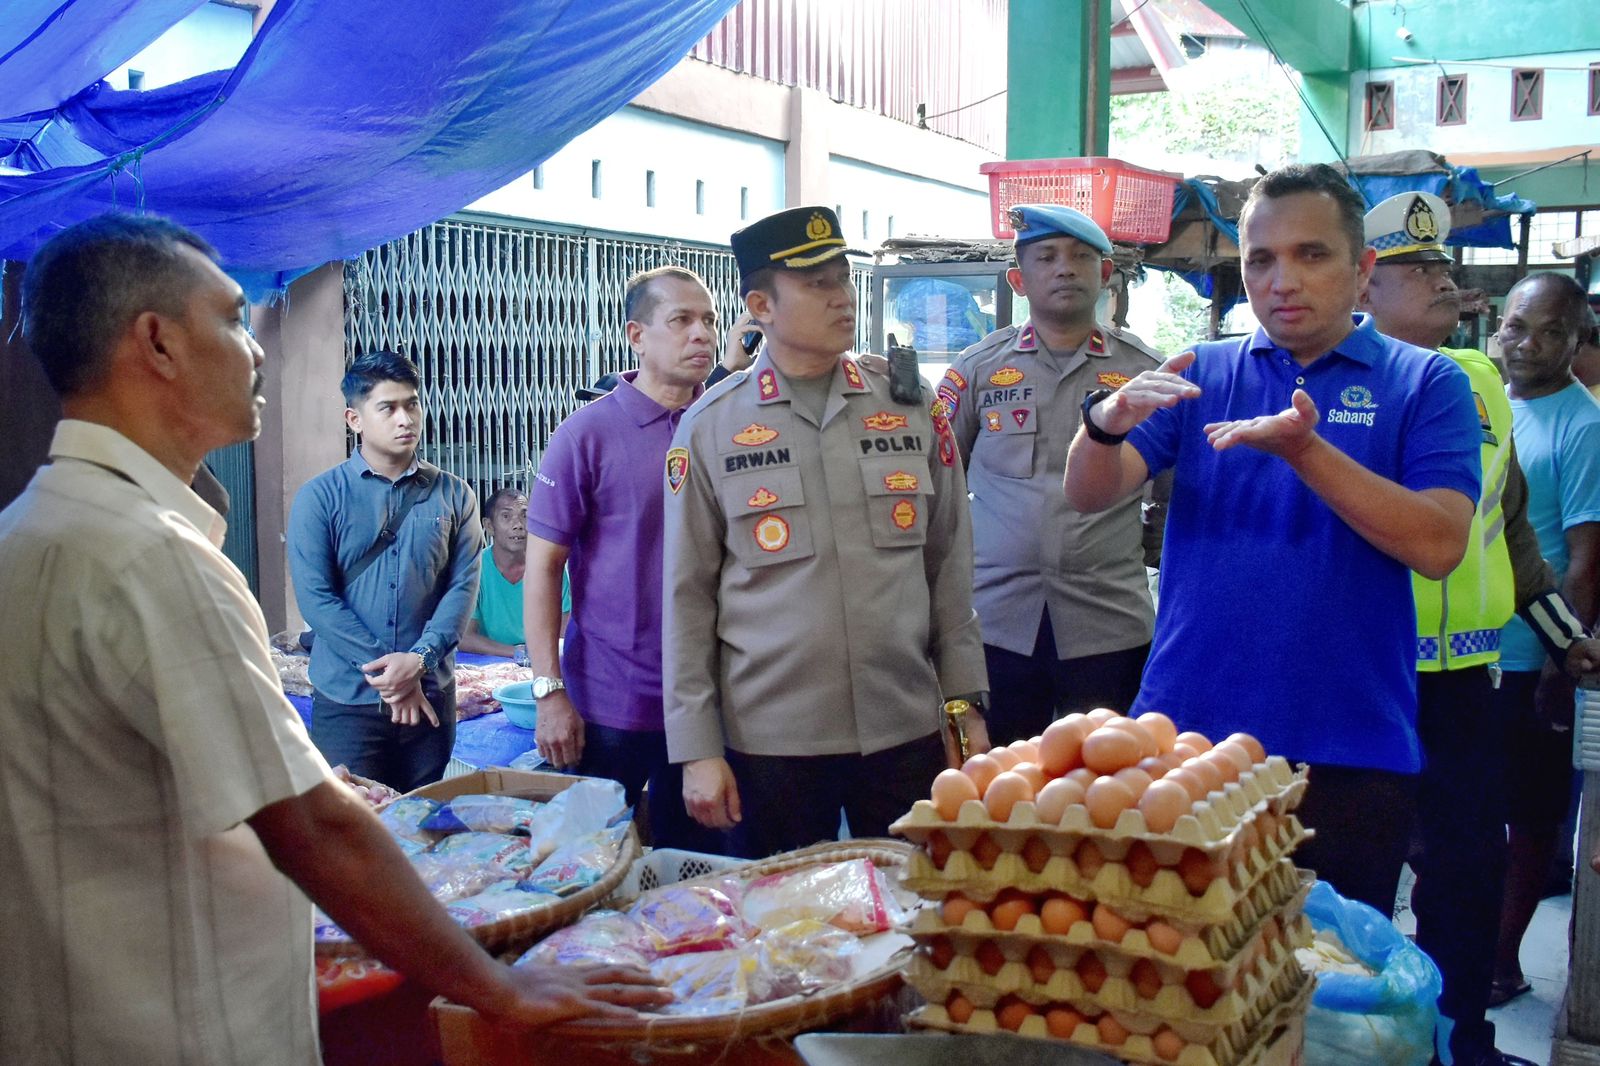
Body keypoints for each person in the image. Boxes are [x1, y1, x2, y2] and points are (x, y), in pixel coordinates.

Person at [0, 213, 666, 1064]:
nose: (257, 349)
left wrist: (419, 665)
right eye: (236, 316)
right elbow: (314, 828)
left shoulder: (36, 529)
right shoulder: (148, 557)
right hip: (170, 1025)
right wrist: (502, 988)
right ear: (158, 344)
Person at [1063, 163, 1482, 915]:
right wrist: (1103, 426)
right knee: (1185, 975)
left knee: (1332, 1001)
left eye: (1311, 255)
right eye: (1261, 259)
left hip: (1349, 747)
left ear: (1362, 271)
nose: (1282, 279)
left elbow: (1438, 543)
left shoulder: (1428, 383)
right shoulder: (1202, 371)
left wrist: (1305, 452)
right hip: (1188, 740)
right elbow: (1089, 491)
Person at [662, 205, 990, 858]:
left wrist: (962, 702)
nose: (842, 295)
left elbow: (947, 565)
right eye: (817, 283)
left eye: (843, 276)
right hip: (773, 744)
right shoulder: (710, 428)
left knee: (915, 913)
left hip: (904, 729)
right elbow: (686, 597)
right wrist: (697, 749)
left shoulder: (909, 408)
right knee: (785, 930)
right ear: (761, 303)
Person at [1359, 193, 1598, 1066]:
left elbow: (1512, 532)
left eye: (1442, 268)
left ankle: (1465, 1042)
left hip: (1470, 684)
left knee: (1468, 874)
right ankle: (1367, 1044)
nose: (1442, 282)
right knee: (1365, 881)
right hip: (1369, 678)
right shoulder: (1334, 388)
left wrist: (1567, 635)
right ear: (1363, 286)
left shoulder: (1480, 380)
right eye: (1415, 271)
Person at [524, 266, 738, 852]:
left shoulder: (727, 426)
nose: (702, 335)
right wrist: (550, 692)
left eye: (710, 320)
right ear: (636, 335)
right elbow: (542, 570)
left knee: (696, 877)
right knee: (590, 867)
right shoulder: (586, 435)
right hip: (609, 705)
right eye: (681, 321)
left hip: (712, 704)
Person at [938, 204, 1165, 743]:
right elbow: (942, 486)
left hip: (1107, 622)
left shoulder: (1144, 373)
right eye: (1046, 257)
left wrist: (1144, 549)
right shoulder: (977, 370)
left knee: (1109, 786)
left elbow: (1174, 494)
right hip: (995, 622)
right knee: (1000, 785)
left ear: (1105, 274)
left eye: (1081, 257)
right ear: (1019, 279)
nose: (1064, 268)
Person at [288, 351, 481, 791]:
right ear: (354, 419)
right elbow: (317, 600)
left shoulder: (454, 494)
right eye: (388, 408)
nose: (405, 418)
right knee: (356, 831)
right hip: (347, 703)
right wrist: (391, 675)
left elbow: (462, 587)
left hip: (430, 698)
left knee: (426, 829)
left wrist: (419, 660)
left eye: (411, 404)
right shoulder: (319, 498)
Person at [1489, 272, 1600, 1011]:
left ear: (1576, 341)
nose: (1531, 344)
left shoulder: (1582, 426)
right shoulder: (1481, 400)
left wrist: (1564, 659)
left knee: (1528, 820)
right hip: (1469, 651)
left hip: (1536, 654)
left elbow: (1590, 557)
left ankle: (1501, 962)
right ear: (1498, 325)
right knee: (1457, 814)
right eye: (1521, 326)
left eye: (1553, 331)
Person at [460, 486, 535, 661]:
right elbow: (464, 637)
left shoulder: (549, 567)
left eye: (524, 515)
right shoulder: (473, 568)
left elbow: (563, 634)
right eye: (506, 516)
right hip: (487, 665)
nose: (518, 525)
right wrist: (518, 654)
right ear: (489, 526)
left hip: (539, 664)